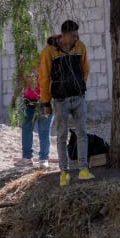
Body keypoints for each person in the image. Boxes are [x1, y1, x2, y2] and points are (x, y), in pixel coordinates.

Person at [37, 20, 92, 185]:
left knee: (82, 133)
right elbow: (44, 77)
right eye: (73, 35)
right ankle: (64, 173)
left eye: (77, 35)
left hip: (78, 98)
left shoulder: (80, 47)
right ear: (64, 34)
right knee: (61, 136)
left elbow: (85, 69)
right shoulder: (49, 52)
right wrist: (46, 102)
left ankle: (83, 169)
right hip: (60, 101)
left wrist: (79, 87)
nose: (76, 38)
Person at [15, 64, 50, 166]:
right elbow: (21, 80)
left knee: (44, 130)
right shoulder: (26, 61)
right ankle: (27, 158)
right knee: (26, 128)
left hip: (45, 101)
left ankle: (44, 159)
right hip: (28, 101)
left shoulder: (47, 59)